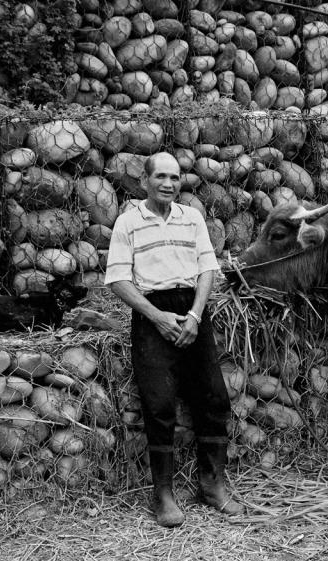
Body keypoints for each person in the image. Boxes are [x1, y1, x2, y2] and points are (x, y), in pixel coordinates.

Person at [105, 151, 242, 528]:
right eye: (160, 177)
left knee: (214, 396)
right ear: (145, 181)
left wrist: (196, 315)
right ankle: (163, 494)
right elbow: (118, 279)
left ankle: (212, 484)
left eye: (174, 177)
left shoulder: (192, 217)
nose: (168, 183)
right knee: (160, 402)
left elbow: (206, 270)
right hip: (153, 314)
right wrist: (158, 317)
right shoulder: (128, 223)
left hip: (194, 312)